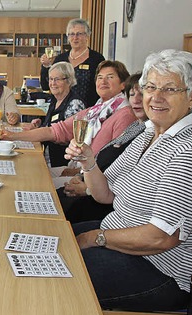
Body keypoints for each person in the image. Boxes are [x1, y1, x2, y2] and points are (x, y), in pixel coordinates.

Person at [68, 49, 192, 311]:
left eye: (170, 89)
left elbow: (160, 238)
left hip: (165, 272)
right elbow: (105, 194)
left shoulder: (191, 153)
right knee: (51, 240)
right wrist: (88, 161)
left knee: (57, 273)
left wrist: (96, 237)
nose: (156, 97)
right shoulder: (149, 134)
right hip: (121, 239)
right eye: (150, 87)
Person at [3, 60, 136, 184]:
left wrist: (79, 175)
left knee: (33, 182)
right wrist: (12, 136)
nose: (103, 81)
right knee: (27, 175)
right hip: (78, 169)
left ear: (123, 83)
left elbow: (115, 163)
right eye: (100, 77)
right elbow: (55, 130)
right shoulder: (95, 110)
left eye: (110, 77)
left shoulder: (125, 115)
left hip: (91, 181)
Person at [60, 73, 146, 223]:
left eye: (143, 94)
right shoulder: (135, 126)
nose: (136, 100)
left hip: (103, 206)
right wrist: (82, 176)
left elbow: (122, 184)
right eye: (132, 94)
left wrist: (86, 189)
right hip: (92, 188)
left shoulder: (142, 130)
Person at [29, 62, 86, 167]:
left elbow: (70, 138)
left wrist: (42, 132)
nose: (52, 83)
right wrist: (41, 124)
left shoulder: (75, 104)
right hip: (47, 157)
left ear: (68, 81)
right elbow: (53, 124)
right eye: (50, 79)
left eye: (57, 79)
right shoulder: (55, 100)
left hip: (63, 164)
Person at [40, 18, 105, 107]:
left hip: (87, 110)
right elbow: (45, 86)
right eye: (71, 34)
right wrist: (46, 66)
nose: (75, 38)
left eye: (79, 34)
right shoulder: (60, 59)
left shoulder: (97, 59)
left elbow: (102, 86)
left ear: (87, 36)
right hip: (60, 110)